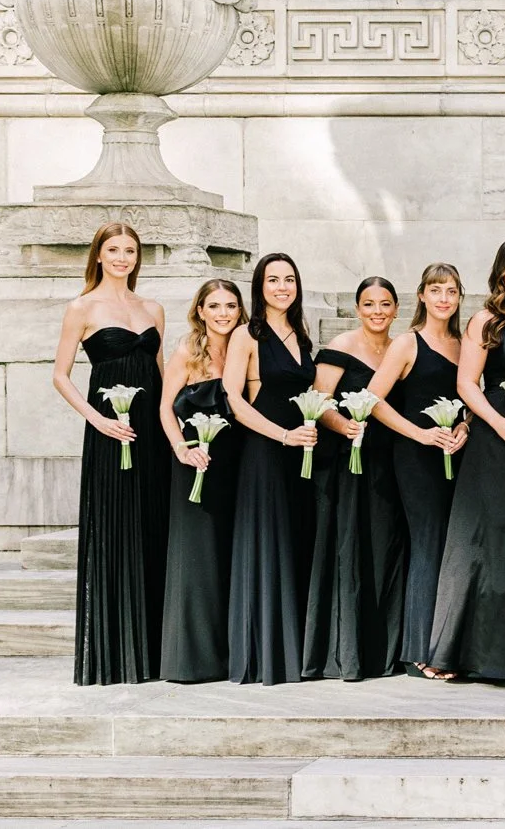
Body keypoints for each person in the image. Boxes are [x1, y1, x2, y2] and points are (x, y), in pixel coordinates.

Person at [426, 239, 505, 682]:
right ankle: (475, 653)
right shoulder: (487, 319)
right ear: (500, 276)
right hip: (495, 435)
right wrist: (498, 424)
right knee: (493, 539)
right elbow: (467, 383)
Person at [56, 221, 168, 686]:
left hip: (152, 434)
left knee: (153, 524)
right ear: (98, 255)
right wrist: (96, 419)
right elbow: (60, 376)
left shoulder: (154, 308)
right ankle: (116, 654)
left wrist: (178, 432)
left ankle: (160, 651)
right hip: (110, 430)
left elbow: (164, 379)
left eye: (130, 250)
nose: (123, 257)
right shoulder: (81, 308)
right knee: (116, 526)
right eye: (114, 249)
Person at [362, 263, 470, 678]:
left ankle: (449, 644)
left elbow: (469, 401)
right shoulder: (407, 343)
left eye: (452, 291)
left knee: (453, 546)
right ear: (422, 295)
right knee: (428, 543)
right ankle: (420, 651)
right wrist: (420, 436)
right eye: (436, 290)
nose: (444, 298)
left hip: (457, 453)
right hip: (416, 458)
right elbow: (372, 400)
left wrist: (464, 427)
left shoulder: (463, 344)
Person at [303, 276, 407, 681]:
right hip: (348, 458)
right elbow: (319, 401)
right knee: (349, 546)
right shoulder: (341, 347)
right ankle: (345, 651)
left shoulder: (400, 349)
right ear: (357, 309)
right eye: (369, 304)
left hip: (388, 460)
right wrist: (344, 425)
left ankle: (382, 650)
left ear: (397, 309)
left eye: (385, 304)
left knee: (383, 549)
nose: (377, 312)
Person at [223, 250, 317, 685]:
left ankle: (295, 650)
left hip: (302, 450)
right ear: (259, 287)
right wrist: (281, 436)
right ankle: (265, 656)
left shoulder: (302, 333)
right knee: (269, 544)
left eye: (290, 280)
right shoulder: (247, 334)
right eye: (273, 279)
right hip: (264, 451)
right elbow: (234, 400)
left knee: (296, 540)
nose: (282, 287)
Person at [158, 276, 244, 684]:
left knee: (231, 554)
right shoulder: (187, 351)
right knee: (199, 558)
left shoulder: (247, 349)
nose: (223, 314)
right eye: (215, 306)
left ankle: (234, 654)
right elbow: (165, 409)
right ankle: (193, 659)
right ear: (200, 311)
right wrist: (181, 448)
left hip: (237, 464)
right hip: (196, 460)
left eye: (230, 306)